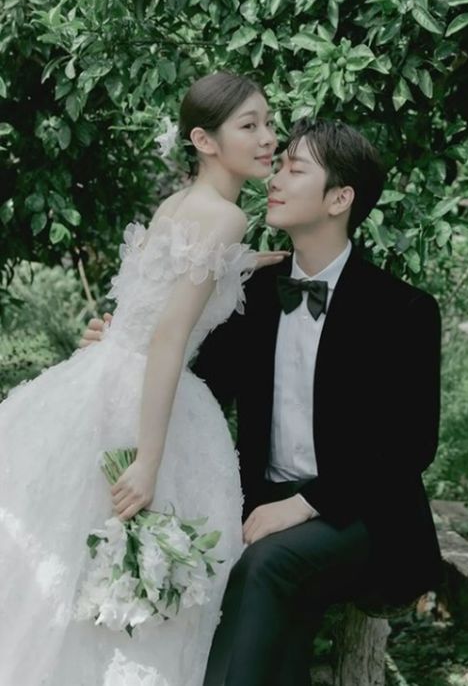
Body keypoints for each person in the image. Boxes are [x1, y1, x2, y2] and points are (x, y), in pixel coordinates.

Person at [83, 117, 443, 686]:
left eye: (295, 169)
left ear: (340, 199)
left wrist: (305, 505)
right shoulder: (252, 296)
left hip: (365, 516)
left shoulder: (403, 310)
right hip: (260, 506)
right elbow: (196, 383)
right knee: (253, 599)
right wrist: (122, 350)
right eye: (279, 165)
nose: (274, 179)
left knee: (265, 566)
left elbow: (409, 446)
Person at [0, 71, 288, 686]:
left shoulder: (179, 204)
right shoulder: (226, 218)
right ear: (204, 141)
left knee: (66, 556)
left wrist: (250, 262)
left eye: (269, 122)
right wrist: (150, 460)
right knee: (129, 566)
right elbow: (167, 337)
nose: (269, 138)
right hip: (147, 399)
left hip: (103, 376)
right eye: (250, 126)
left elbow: (160, 297)